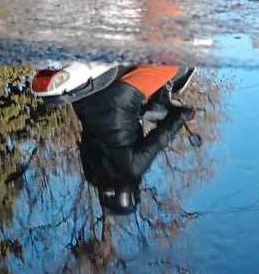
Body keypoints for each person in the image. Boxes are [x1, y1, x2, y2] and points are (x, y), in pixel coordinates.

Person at [71, 65, 195, 215]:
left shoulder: (132, 171)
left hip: (119, 96)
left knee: (172, 66)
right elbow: (84, 140)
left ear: (132, 195)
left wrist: (183, 116)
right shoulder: (92, 175)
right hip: (83, 102)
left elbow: (162, 137)